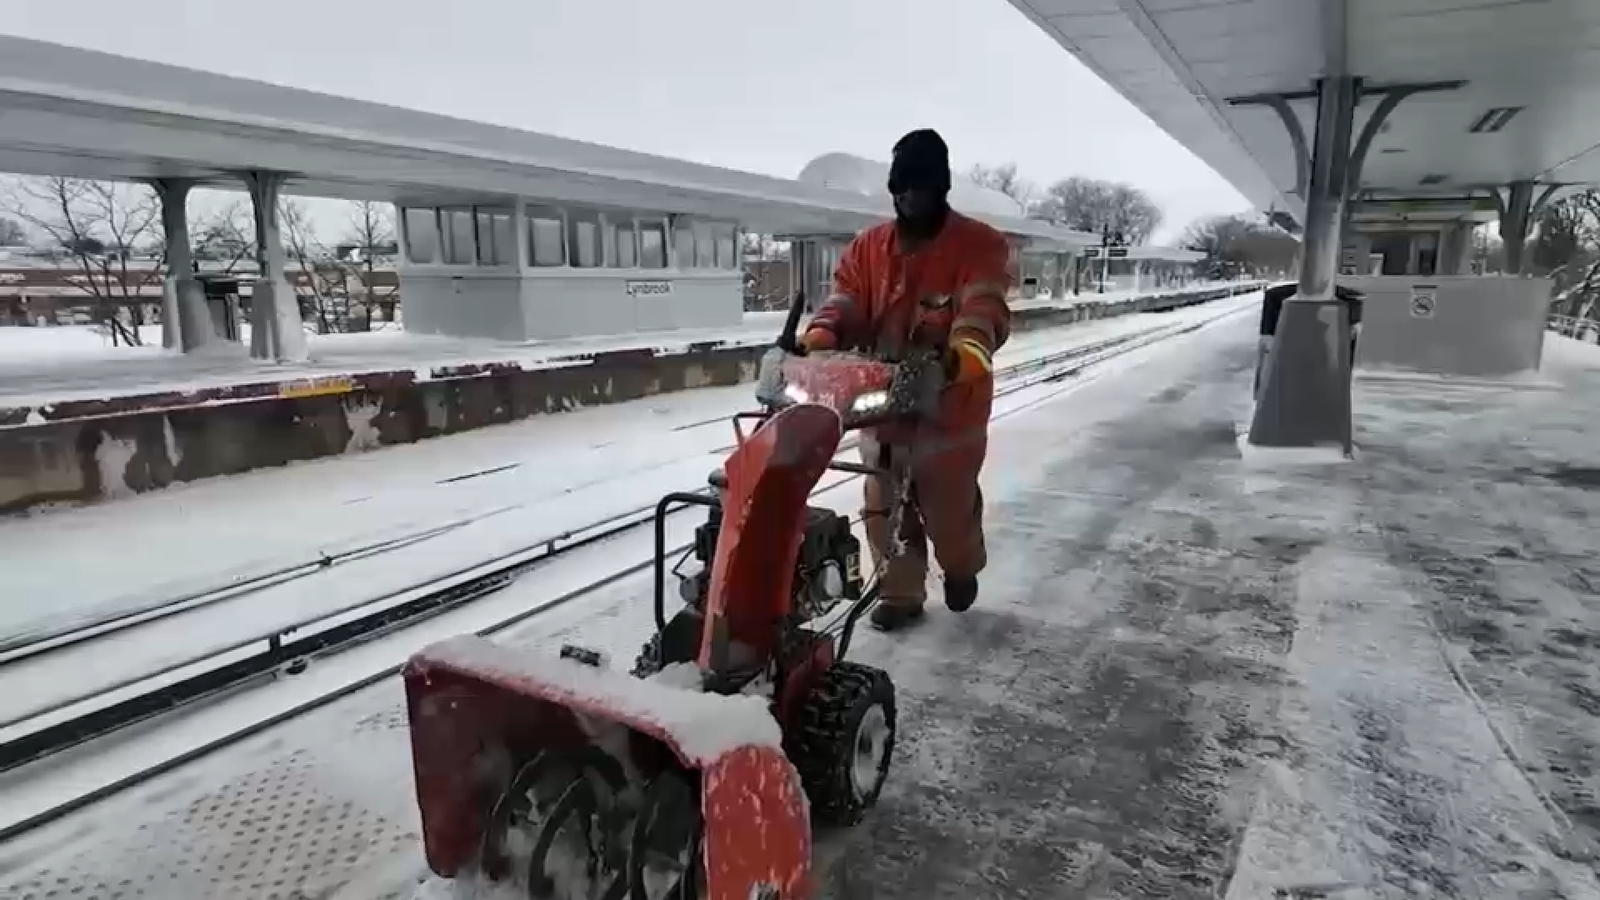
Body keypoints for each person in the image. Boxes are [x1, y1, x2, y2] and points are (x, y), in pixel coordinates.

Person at [796, 128, 1015, 631]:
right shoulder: (868, 247)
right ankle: (900, 595)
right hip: (882, 405)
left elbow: (983, 304)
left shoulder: (979, 245)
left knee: (947, 511)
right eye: (900, 189)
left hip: (949, 406)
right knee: (882, 505)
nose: (908, 199)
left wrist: (965, 352)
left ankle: (961, 567)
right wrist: (823, 335)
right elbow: (847, 299)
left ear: (941, 190)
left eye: (920, 189)